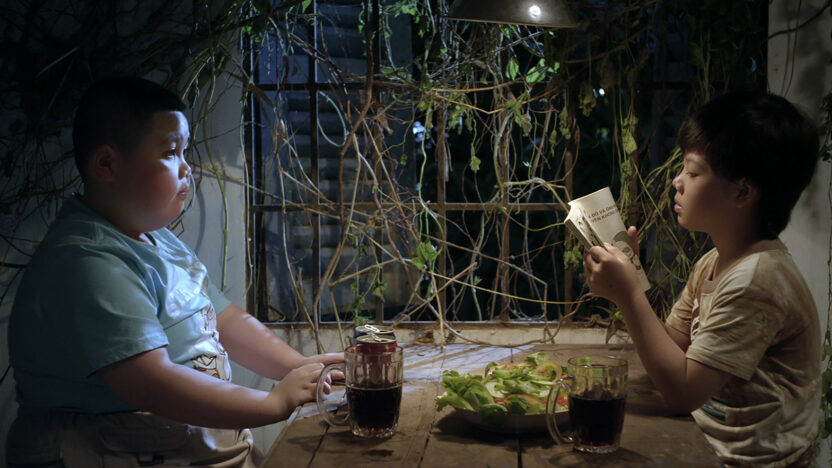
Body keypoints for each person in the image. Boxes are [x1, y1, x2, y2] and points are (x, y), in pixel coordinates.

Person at [6, 77, 343, 467]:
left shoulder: (157, 239)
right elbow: (150, 382)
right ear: (107, 164)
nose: (187, 168)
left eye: (185, 151)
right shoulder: (86, 262)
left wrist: (300, 367)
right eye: (170, 152)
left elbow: (223, 320)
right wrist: (273, 403)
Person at [582, 91, 821, 467]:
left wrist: (628, 295)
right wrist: (631, 280)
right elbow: (674, 349)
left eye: (693, 173)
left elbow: (681, 393)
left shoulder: (757, 279)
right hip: (706, 443)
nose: (677, 181)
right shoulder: (712, 262)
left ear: (742, 191)